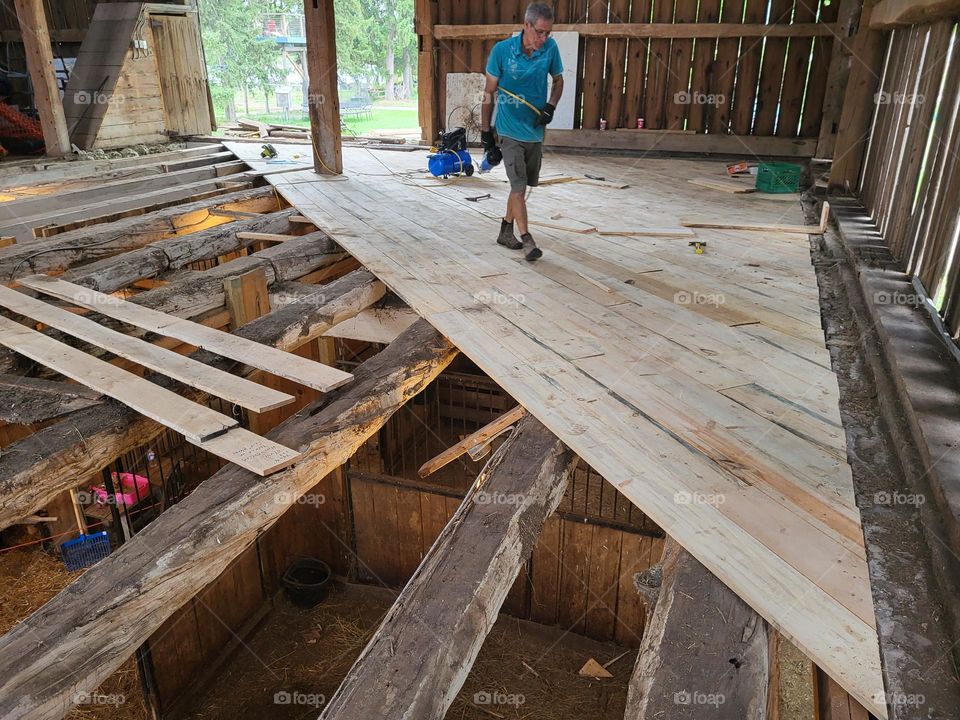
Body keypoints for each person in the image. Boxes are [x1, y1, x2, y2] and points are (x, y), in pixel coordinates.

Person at [480, 1, 563, 261]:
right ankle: (528, 240)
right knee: (518, 186)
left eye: (548, 32)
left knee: (522, 186)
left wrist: (551, 106)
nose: (544, 37)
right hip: (509, 130)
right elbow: (489, 93)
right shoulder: (502, 51)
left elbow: (559, 81)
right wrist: (486, 135)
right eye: (539, 31)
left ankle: (506, 230)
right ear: (526, 25)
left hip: (534, 131)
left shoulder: (550, 48)